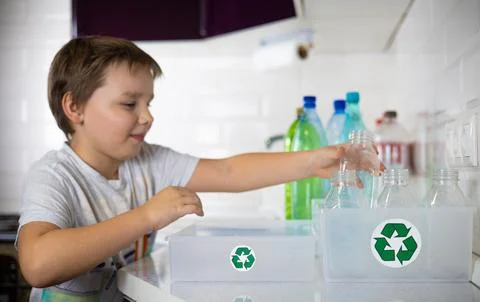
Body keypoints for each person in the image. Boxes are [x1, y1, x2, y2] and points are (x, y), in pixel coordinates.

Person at [16, 36, 383, 301]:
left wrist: (313, 161)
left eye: (149, 102)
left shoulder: (148, 161)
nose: (147, 116)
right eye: (130, 104)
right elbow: (38, 264)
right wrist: (146, 216)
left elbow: (228, 172)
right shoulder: (54, 176)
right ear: (74, 107)